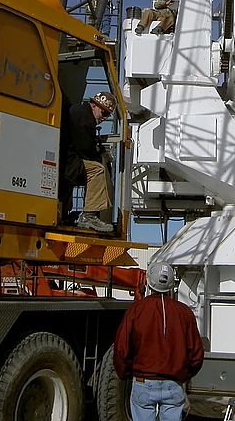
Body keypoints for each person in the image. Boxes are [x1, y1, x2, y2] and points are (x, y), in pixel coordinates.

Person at [113, 261, 205, 421]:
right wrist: (185, 375)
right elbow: (196, 353)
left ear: (148, 281)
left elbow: (121, 349)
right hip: (173, 383)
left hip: (143, 382)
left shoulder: (136, 310)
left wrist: (127, 374)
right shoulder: (184, 313)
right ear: (171, 284)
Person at [59, 91, 117, 232]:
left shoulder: (76, 111)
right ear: (94, 105)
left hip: (63, 158)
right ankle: (89, 215)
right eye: (104, 113)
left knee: (73, 176)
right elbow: (86, 149)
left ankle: (63, 213)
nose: (104, 118)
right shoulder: (85, 119)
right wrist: (99, 155)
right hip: (67, 161)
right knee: (97, 170)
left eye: (108, 115)